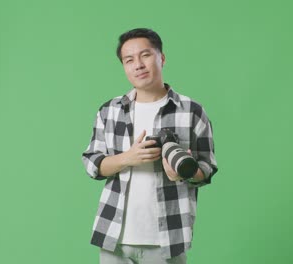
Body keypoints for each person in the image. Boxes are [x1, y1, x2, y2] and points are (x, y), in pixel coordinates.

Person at [82, 28, 218, 264]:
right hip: (114, 236)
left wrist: (183, 173)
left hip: (166, 240)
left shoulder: (192, 111)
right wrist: (128, 158)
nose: (138, 65)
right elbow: (93, 164)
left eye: (145, 55)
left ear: (161, 58)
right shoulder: (110, 111)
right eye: (129, 60)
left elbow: (206, 170)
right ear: (124, 66)